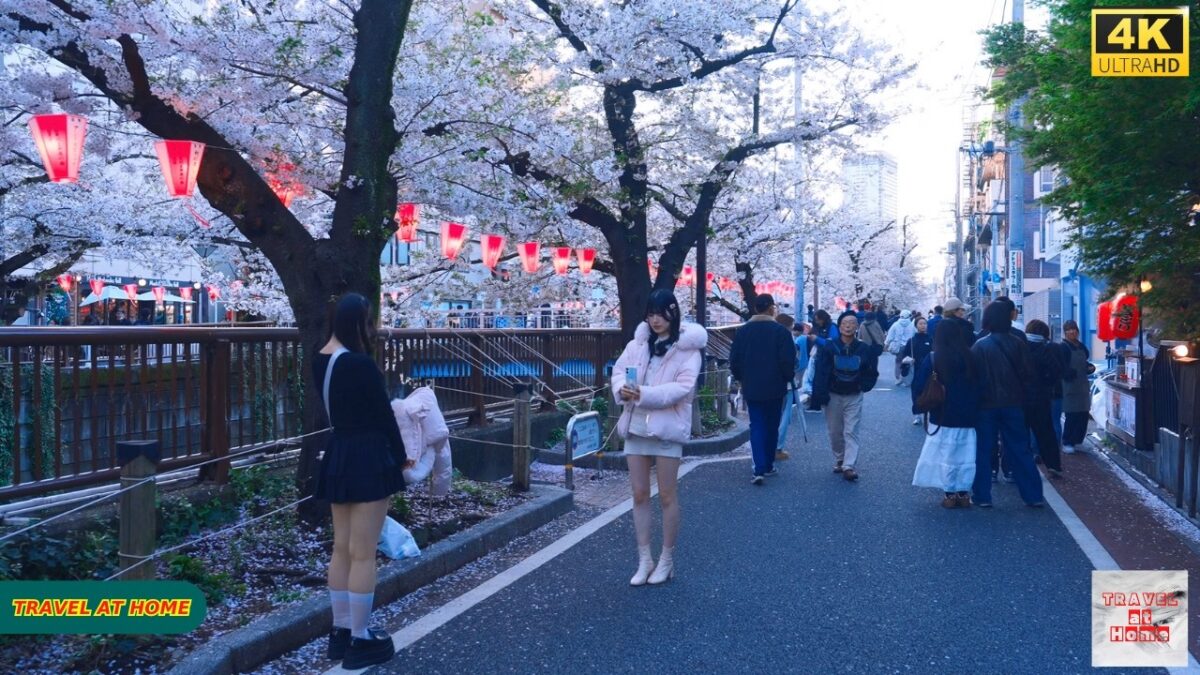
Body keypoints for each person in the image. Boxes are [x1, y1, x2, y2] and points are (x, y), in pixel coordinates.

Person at [313, 293, 410, 668]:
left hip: (339, 453)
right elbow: (384, 416)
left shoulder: (319, 359)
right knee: (363, 551)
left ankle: (339, 632)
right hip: (369, 456)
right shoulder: (361, 365)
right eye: (368, 322)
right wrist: (402, 456)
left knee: (341, 547)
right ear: (357, 323)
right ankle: (360, 635)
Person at [612, 290, 706, 585]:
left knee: (666, 495)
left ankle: (667, 559)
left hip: (666, 428)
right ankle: (644, 560)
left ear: (673, 313)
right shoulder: (638, 344)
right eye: (650, 314)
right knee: (639, 493)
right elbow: (618, 372)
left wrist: (644, 394)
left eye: (661, 313)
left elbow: (683, 388)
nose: (655, 319)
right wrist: (622, 389)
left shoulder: (688, 350)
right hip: (636, 425)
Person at [970, 301, 1045, 508]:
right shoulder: (1018, 343)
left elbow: (973, 379)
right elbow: (1029, 376)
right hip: (1013, 404)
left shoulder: (979, 346)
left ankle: (982, 495)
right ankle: (1033, 495)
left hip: (985, 406)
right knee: (1020, 449)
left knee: (984, 450)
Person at [911, 318, 982, 507]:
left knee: (946, 454)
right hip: (968, 416)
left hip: (941, 414)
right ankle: (963, 493)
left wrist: (918, 407)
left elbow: (919, 385)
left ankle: (949, 493)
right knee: (966, 454)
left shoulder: (934, 358)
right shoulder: (972, 357)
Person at [730, 294, 795, 485]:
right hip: (775, 385)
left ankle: (758, 467)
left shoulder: (743, 331)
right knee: (772, 424)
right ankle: (768, 464)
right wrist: (788, 377)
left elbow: (735, 360)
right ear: (771, 309)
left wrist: (742, 377)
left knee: (756, 424)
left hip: (752, 385)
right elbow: (787, 360)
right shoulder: (780, 332)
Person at [809, 310, 880, 481]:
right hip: (833, 394)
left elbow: (871, 370)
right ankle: (840, 458)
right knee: (835, 431)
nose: (848, 326)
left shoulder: (864, 348)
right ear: (839, 326)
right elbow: (820, 371)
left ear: (857, 327)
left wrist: (864, 386)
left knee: (851, 430)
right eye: (844, 323)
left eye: (852, 323)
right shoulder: (829, 346)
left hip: (854, 394)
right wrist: (819, 395)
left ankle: (849, 466)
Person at [1023, 319, 1064, 476]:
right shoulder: (1046, 349)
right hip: (1041, 397)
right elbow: (1056, 371)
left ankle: (1019, 466)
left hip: (1021, 397)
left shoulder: (1021, 347)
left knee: (1021, 433)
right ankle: (1053, 465)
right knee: (1046, 433)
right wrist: (1047, 384)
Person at [1060, 319, 1093, 454]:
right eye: (1069, 330)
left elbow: (1084, 362)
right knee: (1072, 415)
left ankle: (1077, 440)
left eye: (1074, 329)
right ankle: (1067, 441)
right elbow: (1060, 366)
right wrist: (1067, 372)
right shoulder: (1063, 347)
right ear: (1065, 333)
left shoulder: (1081, 346)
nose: (1072, 332)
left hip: (1083, 385)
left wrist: (1089, 368)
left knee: (1083, 414)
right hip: (1070, 386)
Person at [774, 313, 799, 461]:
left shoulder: (769, 336)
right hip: (786, 383)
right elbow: (792, 361)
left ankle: (766, 447)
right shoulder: (787, 338)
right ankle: (778, 448)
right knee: (784, 416)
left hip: (768, 382)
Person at [901, 316, 933, 423]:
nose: (923, 326)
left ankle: (929, 413)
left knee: (929, 392)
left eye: (925, 323)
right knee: (916, 392)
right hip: (915, 370)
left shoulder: (931, 339)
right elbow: (904, 356)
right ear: (916, 326)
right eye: (920, 324)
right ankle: (917, 415)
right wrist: (910, 360)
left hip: (929, 371)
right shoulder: (911, 341)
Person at [885, 310, 917, 386]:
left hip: (899, 346)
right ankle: (907, 379)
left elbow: (890, 335)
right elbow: (915, 334)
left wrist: (886, 343)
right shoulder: (912, 325)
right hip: (909, 346)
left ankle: (898, 377)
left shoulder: (895, 324)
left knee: (898, 362)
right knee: (908, 362)